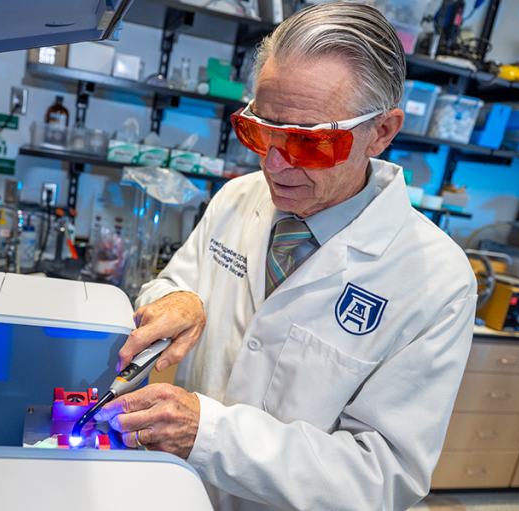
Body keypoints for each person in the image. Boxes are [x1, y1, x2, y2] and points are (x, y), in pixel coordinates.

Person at [94, 3, 478, 510]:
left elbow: (382, 477)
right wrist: (179, 299)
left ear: (382, 132)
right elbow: (173, 286)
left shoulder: (436, 281)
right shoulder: (239, 197)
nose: (274, 164)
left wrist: (209, 436)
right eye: (261, 130)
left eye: (311, 143)